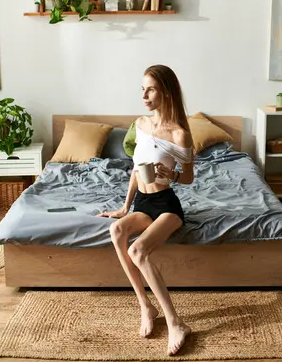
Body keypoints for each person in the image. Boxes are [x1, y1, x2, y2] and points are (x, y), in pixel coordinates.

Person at [98, 64, 194, 356]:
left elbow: (188, 177)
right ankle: (145, 305)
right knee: (117, 230)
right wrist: (125, 208)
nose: (144, 94)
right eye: (143, 89)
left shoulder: (179, 134)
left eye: (150, 88)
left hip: (166, 205)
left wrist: (171, 174)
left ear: (165, 91)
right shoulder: (140, 124)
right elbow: (135, 170)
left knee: (138, 250)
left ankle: (176, 322)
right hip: (142, 202)